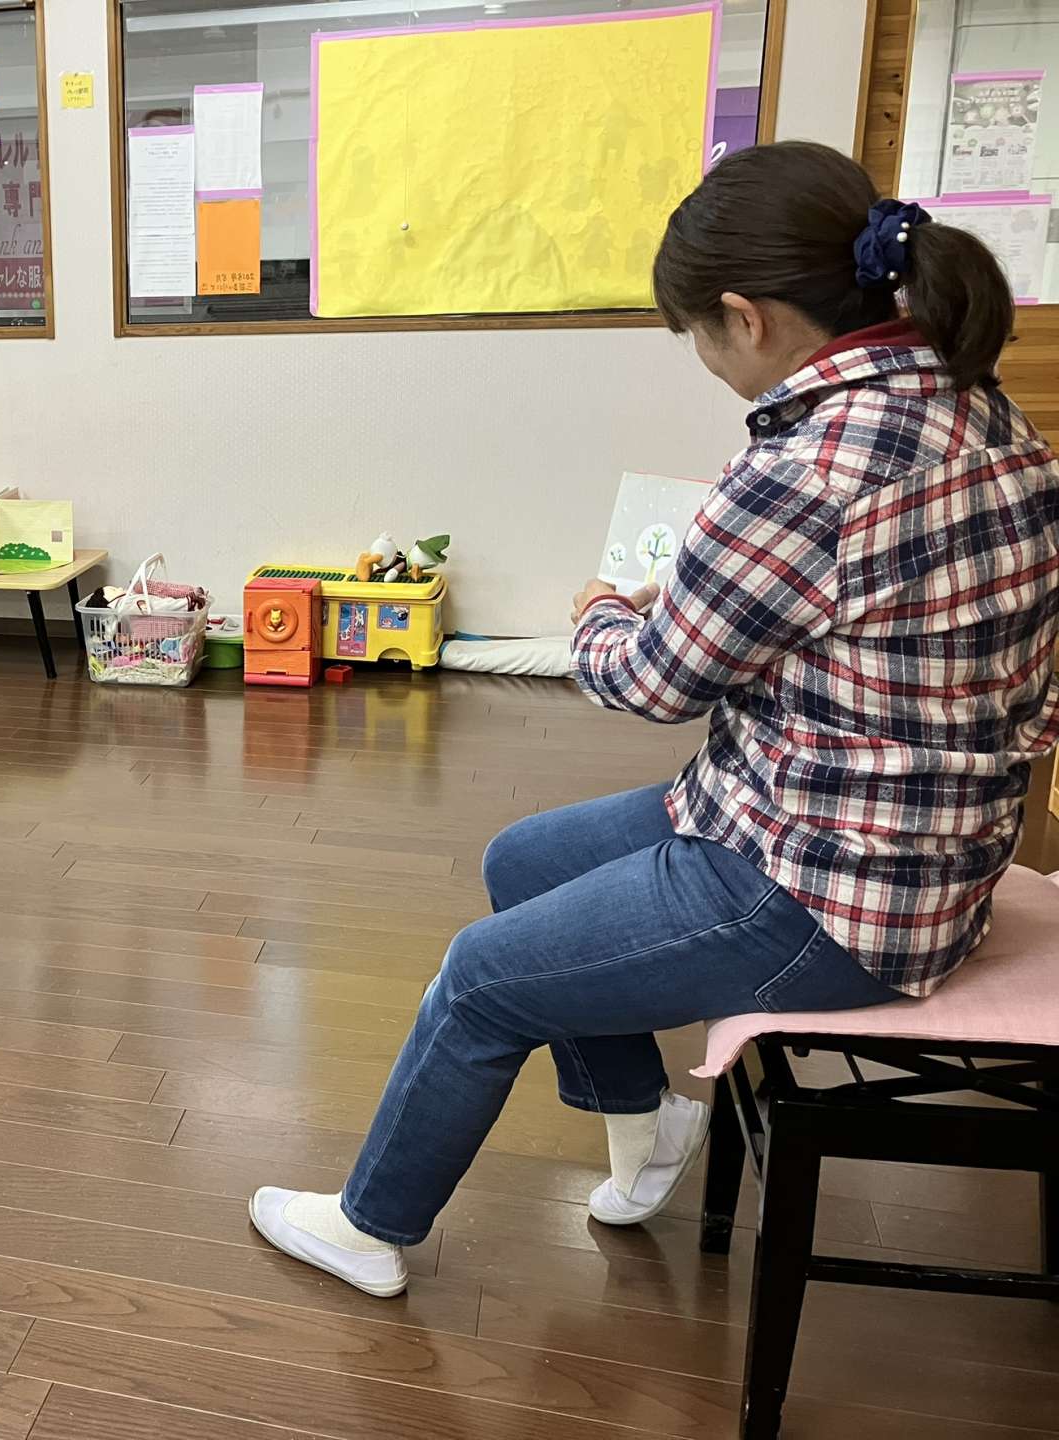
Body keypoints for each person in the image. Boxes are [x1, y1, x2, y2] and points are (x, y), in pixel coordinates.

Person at [251, 141, 1059, 1299]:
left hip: (831, 894)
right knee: (522, 862)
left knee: (481, 979)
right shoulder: (976, 407)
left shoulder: (807, 469)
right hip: (913, 844)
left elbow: (649, 685)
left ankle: (369, 1226)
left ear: (746, 319)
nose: (705, 358)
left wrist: (595, 612)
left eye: (697, 335)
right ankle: (644, 1119)